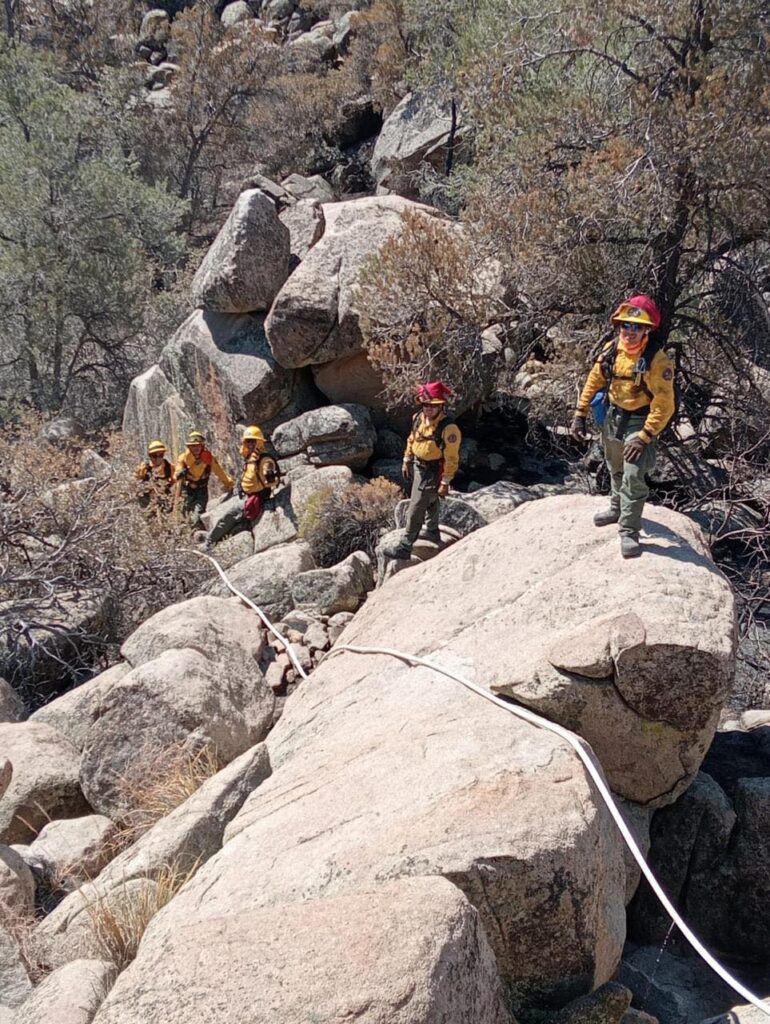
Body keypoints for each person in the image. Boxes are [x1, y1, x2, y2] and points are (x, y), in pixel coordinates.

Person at [571, 294, 676, 559]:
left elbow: (664, 404)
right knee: (614, 466)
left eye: (636, 327)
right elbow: (594, 380)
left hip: (640, 421)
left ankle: (629, 530)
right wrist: (580, 413)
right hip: (614, 417)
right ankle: (617, 508)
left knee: (633, 475)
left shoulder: (657, 361)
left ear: (647, 330)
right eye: (625, 326)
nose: (629, 332)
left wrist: (645, 436)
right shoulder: (611, 351)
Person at [391, 380, 462, 560]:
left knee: (416, 505)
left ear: (440, 406)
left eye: (433, 405)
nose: (429, 409)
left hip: (433, 470)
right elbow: (412, 438)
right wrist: (407, 459)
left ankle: (406, 546)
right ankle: (432, 530)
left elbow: (452, 457)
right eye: (425, 405)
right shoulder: (418, 418)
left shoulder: (449, 428)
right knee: (430, 499)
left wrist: (445, 481)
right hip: (418, 465)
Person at [206, 425, 280, 547]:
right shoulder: (251, 458)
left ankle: (209, 542)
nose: (250, 444)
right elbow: (249, 475)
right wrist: (241, 486)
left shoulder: (264, 459)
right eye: (248, 441)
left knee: (227, 517)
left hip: (257, 497)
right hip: (247, 494)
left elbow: (270, 473)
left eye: (253, 441)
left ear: (259, 442)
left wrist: (270, 475)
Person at [174, 430, 234, 527]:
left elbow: (219, 471)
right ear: (189, 447)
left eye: (198, 445)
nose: (196, 448)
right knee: (183, 516)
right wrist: (179, 474)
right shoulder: (183, 458)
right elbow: (176, 473)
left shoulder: (208, 458)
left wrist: (229, 483)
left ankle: (196, 531)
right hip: (186, 491)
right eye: (193, 446)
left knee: (197, 515)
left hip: (201, 491)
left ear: (202, 445)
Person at [134, 440, 174, 512]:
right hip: (148, 500)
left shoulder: (169, 467)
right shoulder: (144, 468)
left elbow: (174, 483)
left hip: (164, 498)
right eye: (154, 456)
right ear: (150, 456)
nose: (158, 459)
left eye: (160, 455)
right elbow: (135, 482)